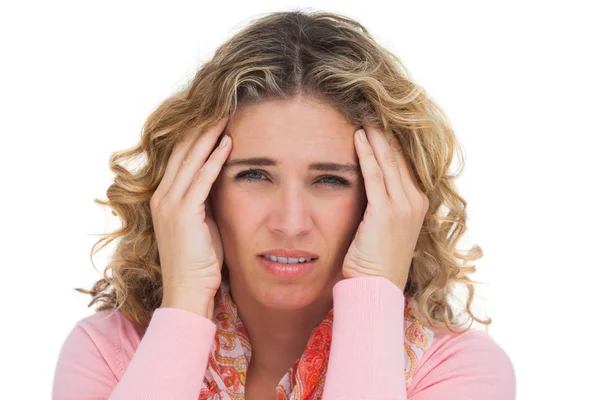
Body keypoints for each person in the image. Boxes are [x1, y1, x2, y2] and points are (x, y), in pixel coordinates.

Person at [52, 9, 516, 400]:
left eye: (330, 179)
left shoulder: (459, 371)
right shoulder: (108, 353)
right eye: (254, 175)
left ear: (385, 199)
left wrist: (375, 288)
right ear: (198, 188)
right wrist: (186, 296)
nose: (290, 222)